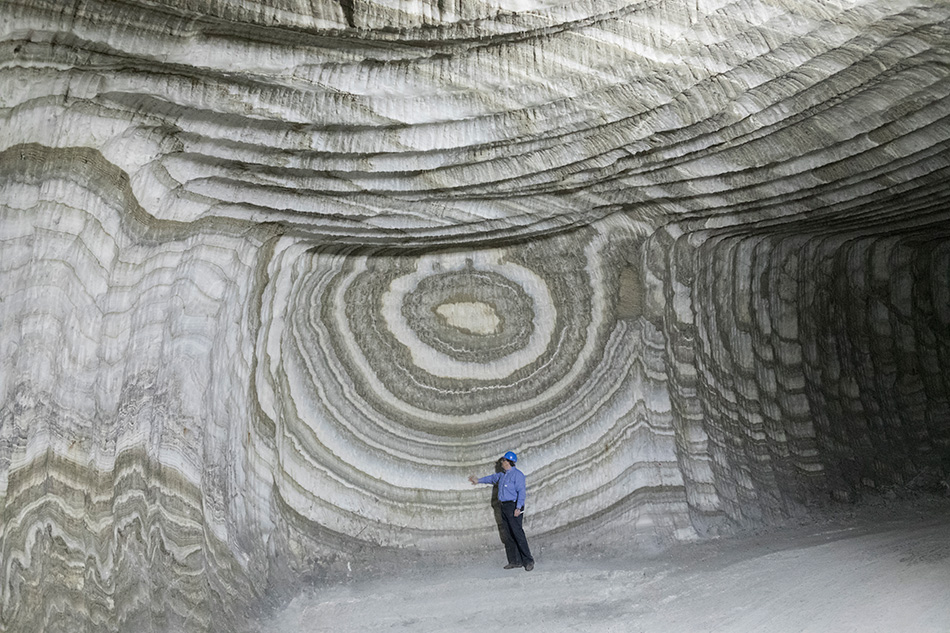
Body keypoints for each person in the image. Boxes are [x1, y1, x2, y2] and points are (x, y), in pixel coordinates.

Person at [469, 451, 535, 571]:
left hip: (514, 506)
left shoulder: (518, 475)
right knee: (508, 535)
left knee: (518, 534)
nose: (501, 462)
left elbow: (521, 492)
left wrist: (518, 507)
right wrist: (478, 480)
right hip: (503, 507)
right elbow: (491, 478)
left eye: (503, 461)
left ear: (509, 462)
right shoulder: (502, 475)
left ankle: (528, 561)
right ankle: (515, 561)